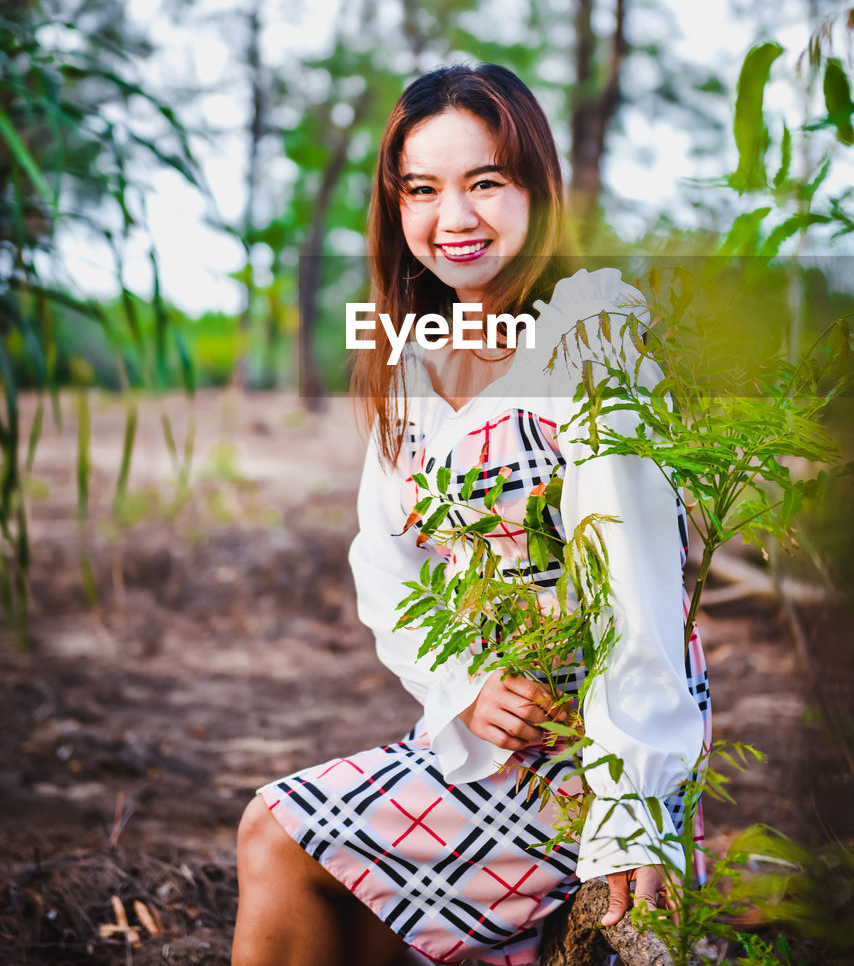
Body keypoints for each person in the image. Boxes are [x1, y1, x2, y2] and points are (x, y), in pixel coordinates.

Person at [232, 63, 711, 966]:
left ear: (537, 191)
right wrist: (463, 683)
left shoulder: (593, 336)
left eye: (486, 182)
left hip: (589, 749)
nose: (453, 219)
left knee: (278, 831)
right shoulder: (411, 360)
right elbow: (386, 558)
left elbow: (639, 584)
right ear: (395, 205)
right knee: (346, 903)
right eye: (423, 189)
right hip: (480, 727)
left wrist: (632, 805)